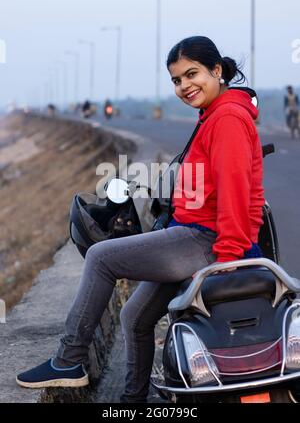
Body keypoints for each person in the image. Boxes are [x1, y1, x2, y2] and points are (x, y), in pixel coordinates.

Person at [16, 36, 265, 402]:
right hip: (195, 234)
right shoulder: (215, 114)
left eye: (192, 74)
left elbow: (235, 193)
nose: (184, 86)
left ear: (216, 71)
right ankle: (134, 401)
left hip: (209, 242)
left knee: (102, 257)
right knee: (134, 317)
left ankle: (69, 360)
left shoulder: (227, 117)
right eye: (177, 80)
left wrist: (227, 261)